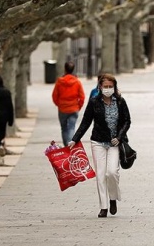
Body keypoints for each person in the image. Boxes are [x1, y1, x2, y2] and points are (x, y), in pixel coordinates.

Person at [69, 73, 131, 218]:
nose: (108, 89)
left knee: (112, 173)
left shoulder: (120, 102)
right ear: (100, 87)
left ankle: (113, 198)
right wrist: (75, 139)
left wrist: (119, 137)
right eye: (105, 86)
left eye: (110, 86)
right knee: (101, 175)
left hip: (115, 143)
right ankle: (103, 206)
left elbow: (127, 121)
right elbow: (85, 122)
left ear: (114, 87)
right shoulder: (94, 102)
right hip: (98, 142)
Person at [52, 61, 85, 146]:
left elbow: (54, 95)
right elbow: (82, 96)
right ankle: (70, 144)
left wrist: (59, 104)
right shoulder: (77, 82)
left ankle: (66, 145)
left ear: (65, 69)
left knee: (64, 128)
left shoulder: (59, 82)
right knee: (71, 127)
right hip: (74, 108)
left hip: (62, 108)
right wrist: (78, 106)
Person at [0, 75, 14, 157]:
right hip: (4, 117)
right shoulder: (6, 92)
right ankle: (0, 144)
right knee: (2, 132)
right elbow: (10, 106)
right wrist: (11, 120)